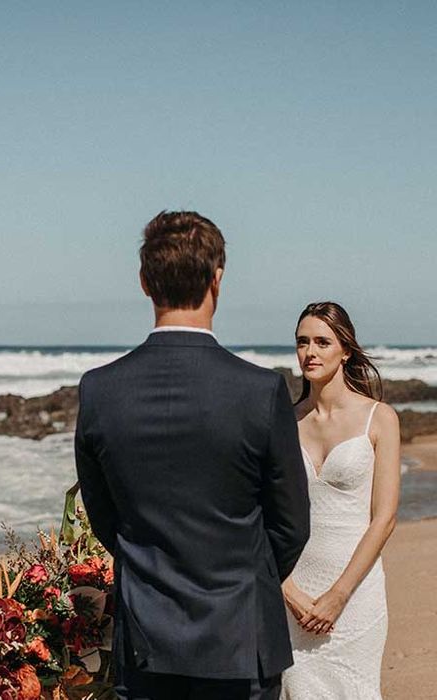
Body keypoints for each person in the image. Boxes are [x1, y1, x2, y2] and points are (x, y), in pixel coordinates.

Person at [75, 210, 311, 700]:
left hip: (145, 638)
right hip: (242, 638)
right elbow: (291, 524)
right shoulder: (260, 391)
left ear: (144, 282)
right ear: (217, 279)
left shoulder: (100, 390)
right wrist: (246, 581)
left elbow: (103, 516)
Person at [280, 302, 400, 699]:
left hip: (355, 595)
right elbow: (264, 514)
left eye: (321, 342)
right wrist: (287, 589)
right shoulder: (283, 421)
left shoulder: (379, 418)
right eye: (302, 342)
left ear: (345, 350)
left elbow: (384, 519)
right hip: (293, 593)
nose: (309, 352)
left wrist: (338, 595)